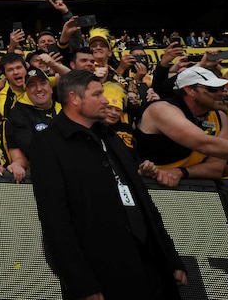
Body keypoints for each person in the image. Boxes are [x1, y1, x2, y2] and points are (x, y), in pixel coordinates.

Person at [30, 70, 187, 300]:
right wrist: (81, 282)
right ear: (74, 98)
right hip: (103, 273)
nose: (105, 100)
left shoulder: (111, 135)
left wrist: (170, 257)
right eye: (97, 94)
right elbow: (55, 221)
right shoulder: (47, 144)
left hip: (151, 264)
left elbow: (144, 202)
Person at [134, 66, 228, 185]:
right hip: (148, 184)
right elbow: (204, 144)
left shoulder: (219, 117)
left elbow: (215, 168)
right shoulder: (162, 109)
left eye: (222, 88)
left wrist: (182, 172)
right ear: (190, 90)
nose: (222, 93)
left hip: (192, 187)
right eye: (213, 89)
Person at [5, 68, 62, 172]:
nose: (39, 89)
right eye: (32, 85)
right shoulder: (18, 113)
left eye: (43, 83)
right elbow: (31, 146)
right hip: (42, 172)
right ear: (26, 91)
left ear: (51, 88)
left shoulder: (64, 109)